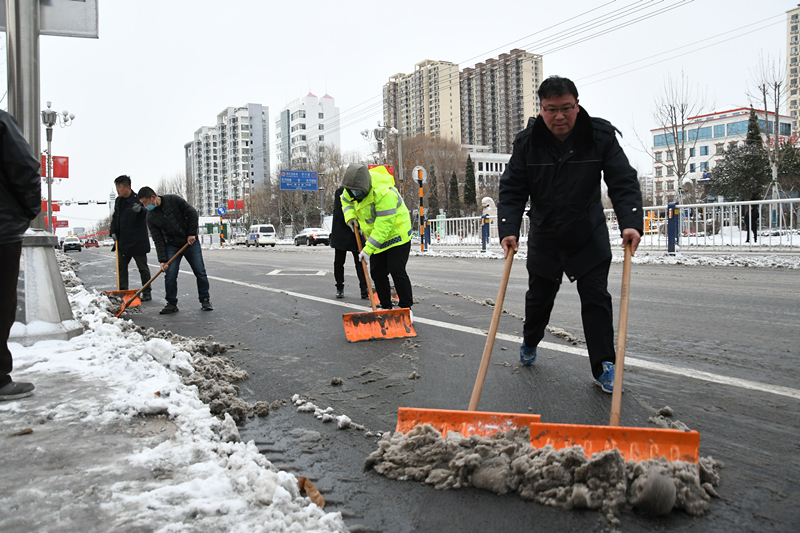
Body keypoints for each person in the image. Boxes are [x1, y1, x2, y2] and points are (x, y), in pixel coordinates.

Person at [498, 76, 643, 394]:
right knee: (539, 300)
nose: (559, 116)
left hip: (587, 233)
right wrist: (508, 229)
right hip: (546, 235)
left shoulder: (599, 136)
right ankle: (530, 339)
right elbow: (512, 189)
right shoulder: (527, 143)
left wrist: (631, 221)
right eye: (551, 109)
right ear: (541, 109)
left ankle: (605, 366)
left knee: (596, 299)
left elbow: (622, 180)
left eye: (566, 108)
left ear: (577, 105)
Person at [0, 110, 42, 400]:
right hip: (2, 229)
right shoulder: (1, 123)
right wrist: (28, 212)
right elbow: (25, 168)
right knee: (2, 302)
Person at [341, 164, 414, 312]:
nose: (354, 195)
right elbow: (346, 200)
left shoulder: (384, 193)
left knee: (396, 270)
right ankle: (385, 307)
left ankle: (406, 308)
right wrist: (350, 216)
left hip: (397, 235)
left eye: (357, 192)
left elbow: (383, 226)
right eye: (352, 192)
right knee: (377, 273)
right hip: (376, 238)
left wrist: (368, 250)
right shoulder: (352, 188)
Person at [136, 186, 213, 314]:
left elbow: (192, 213)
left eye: (145, 203)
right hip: (172, 245)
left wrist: (191, 233)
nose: (145, 206)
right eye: (142, 204)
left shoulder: (173, 200)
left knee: (200, 271)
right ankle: (171, 303)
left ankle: (205, 299)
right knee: (170, 274)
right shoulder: (150, 217)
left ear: (153, 197)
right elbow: (158, 240)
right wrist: (162, 260)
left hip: (190, 242)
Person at [110, 175, 152, 301]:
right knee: (121, 268)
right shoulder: (118, 201)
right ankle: (123, 292)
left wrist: (141, 210)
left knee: (143, 268)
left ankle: (147, 292)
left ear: (127, 187)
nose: (118, 190)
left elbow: (149, 212)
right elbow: (115, 218)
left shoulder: (138, 200)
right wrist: (113, 231)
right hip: (123, 242)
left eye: (119, 187)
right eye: (116, 187)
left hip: (137, 242)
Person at [330, 186, 368, 299]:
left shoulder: (360, 190)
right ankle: (339, 287)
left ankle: (364, 289)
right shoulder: (340, 192)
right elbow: (340, 212)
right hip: (341, 231)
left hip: (356, 232)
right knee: (339, 262)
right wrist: (351, 220)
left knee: (360, 261)